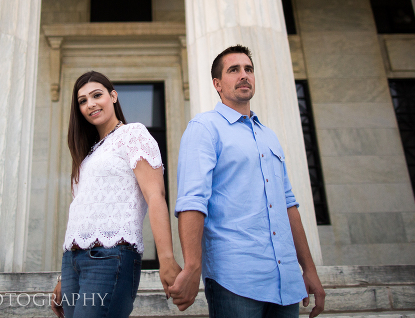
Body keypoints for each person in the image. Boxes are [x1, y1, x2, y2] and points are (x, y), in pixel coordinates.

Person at [169, 45, 325, 318]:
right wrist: (192, 265)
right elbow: (192, 201)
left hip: (286, 281)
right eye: (234, 70)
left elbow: (288, 205)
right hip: (235, 279)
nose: (244, 75)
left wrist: (308, 269)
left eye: (248, 69)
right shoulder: (204, 128)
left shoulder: (270, 136)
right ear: (217, 84)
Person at [52, 71, 182, 318]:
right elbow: (82, 210)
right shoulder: (88, 154)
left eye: (96, 95)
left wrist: (166, 258)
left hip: (110, 258)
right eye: (82, 101)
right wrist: (63, 275)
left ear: (113, 96)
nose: (90, 104)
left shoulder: (133, 134)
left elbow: (155, 195)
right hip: (73, 262)